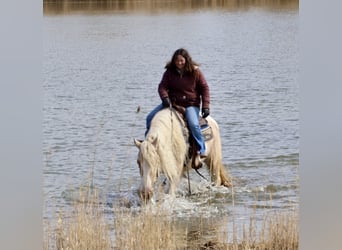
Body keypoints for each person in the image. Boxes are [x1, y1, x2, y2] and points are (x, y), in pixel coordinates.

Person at [146, 48, 210, 163]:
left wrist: (206, 105)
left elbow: (204, 88)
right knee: (149, 118)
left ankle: (201, 148)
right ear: (174, 61)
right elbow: (162, 87)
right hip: (172, 103)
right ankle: (148, 144)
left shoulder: (196, 72)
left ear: (187, 60)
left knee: (194, 124)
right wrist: (165, 98)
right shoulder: (169, 72)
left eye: (181, 60)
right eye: (177, 60)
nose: (179, 63)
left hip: (190, 104)